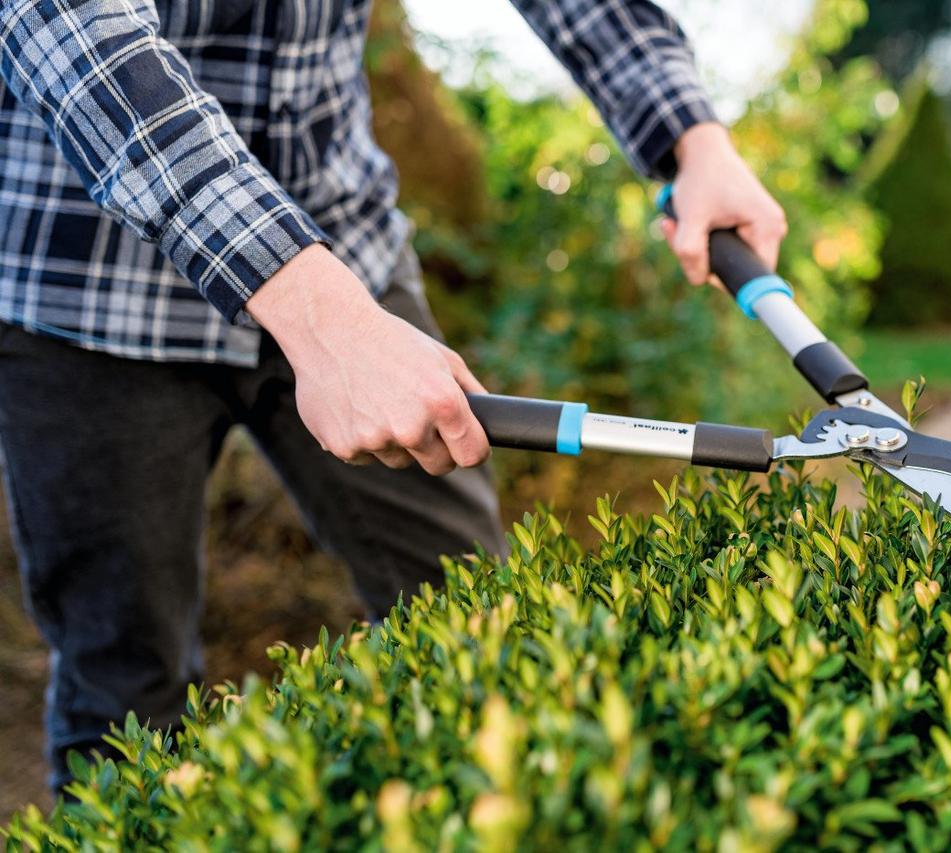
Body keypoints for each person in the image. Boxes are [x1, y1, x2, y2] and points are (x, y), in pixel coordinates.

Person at [0, 0, 787, 792]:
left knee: (474, 618)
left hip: (346, 250)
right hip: (85, 287)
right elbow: (68, 27)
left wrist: (694, 136)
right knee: (120, 694)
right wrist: (317, 317)